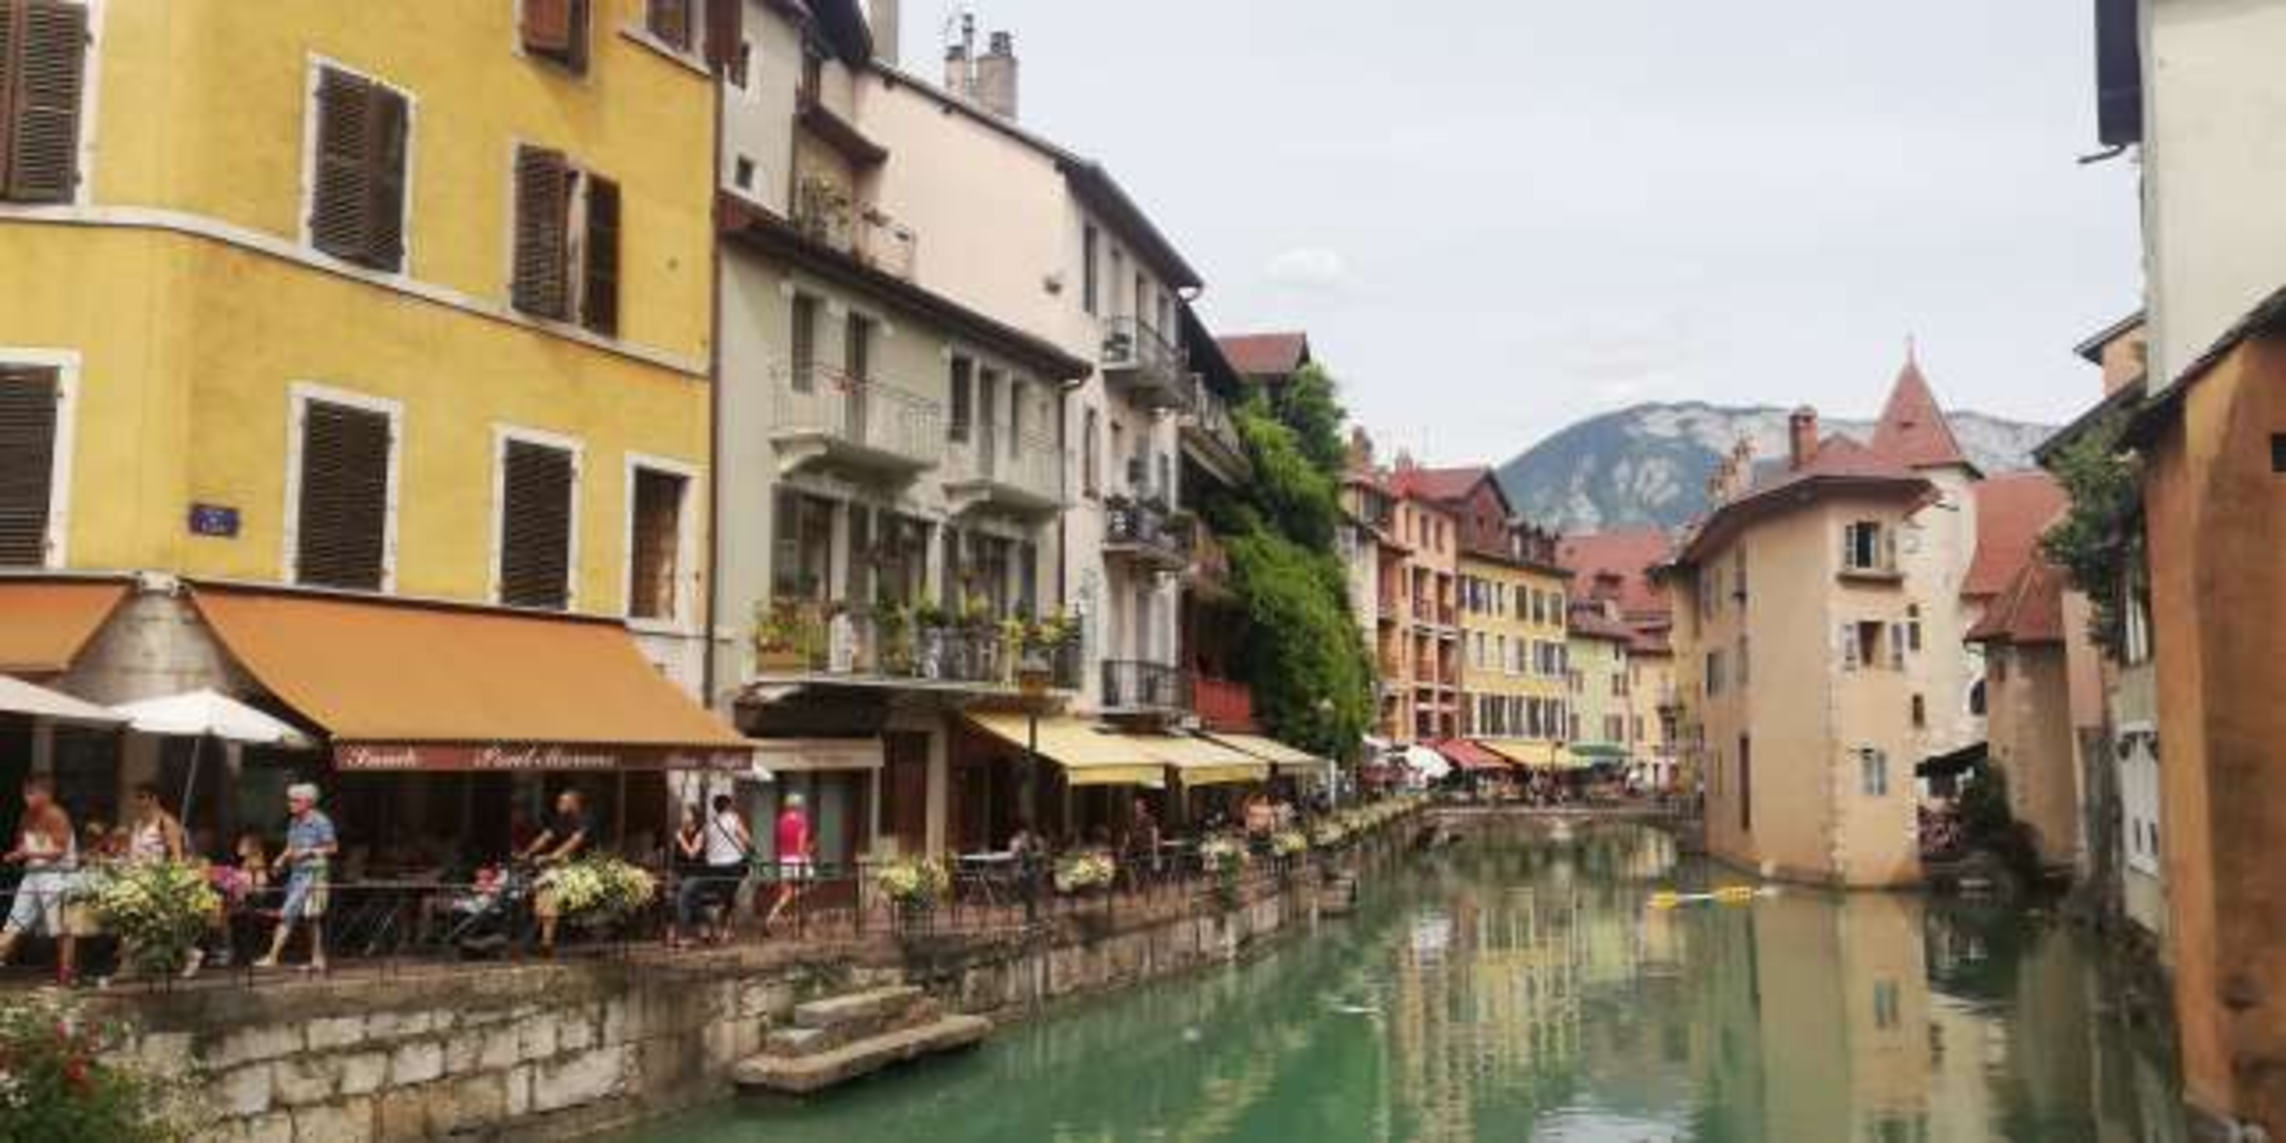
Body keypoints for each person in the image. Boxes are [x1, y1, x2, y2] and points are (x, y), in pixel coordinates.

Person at [0, 778, 79, 986]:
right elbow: (22, 845)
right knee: (14, 923)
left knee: (60, 927)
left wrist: (29, 852)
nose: (27, 798)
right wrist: (13, 855)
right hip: (32, 874)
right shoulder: (26, 816)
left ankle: (66, 977)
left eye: (31, 793)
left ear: (46, 794)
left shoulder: (57, 815)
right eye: (25, 793)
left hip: (57, 875)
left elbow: (59, 851)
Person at [256, 784, 337, 973]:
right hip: (297, 874)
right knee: (308, 918)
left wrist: (309, 851)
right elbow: (291, 846)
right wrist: (281, 859)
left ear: (308, 802)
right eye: (290, 799)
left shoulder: (321, 821)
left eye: (295, 800)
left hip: (314, 874)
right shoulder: (294, 821)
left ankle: (273, 956)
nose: (290, 803)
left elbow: (333, 847)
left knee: (292, 914)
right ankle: (317, 959)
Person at [522, 789, 596, 954]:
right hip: (559, 865)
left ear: (574, 804)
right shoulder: (560, 819)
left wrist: (550, 857)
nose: (558, 804)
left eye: (563, 801)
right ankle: (540, 940)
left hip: (581, 864)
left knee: (547, 885)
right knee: (538, 887)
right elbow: (544, 837)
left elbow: (573, 842)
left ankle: (545, 943)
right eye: (559, 801)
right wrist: (526, 853)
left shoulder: (584, 820)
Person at [700, 794, 751, 943]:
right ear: (728, 806)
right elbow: (746, 838)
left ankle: (716, 929)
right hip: (733, 865)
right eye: (731, 805)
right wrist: (752, 850)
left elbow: (703, 842)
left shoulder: (710, 823)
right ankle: (724, 931)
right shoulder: (733, 819)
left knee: (718, 897)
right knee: (730, 898)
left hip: (713, 866)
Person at [763, 793, 812, 929]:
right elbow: (801, 845)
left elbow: (779, 841)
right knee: (808, 886)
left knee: (786, 893)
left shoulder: (781, 821)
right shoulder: (802, 821)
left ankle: (770, 918)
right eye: (801, 804)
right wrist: (805, 857)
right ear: (798, 806)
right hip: (798, 858)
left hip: (784, 859)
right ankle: (799, 923)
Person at [666, 804, 708, 949]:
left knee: (683, 895)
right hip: (681, 873)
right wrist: (672, 874)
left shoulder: (700, 834)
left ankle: (685, 936)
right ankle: (702, 929)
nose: (683, 816)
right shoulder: (679, 832)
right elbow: (674, 857)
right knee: (671, 897)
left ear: (694, 816)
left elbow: (692, 854)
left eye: (687, 813)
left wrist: (681, 839)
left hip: (697, 874)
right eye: (683, 813)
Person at [126, 784, 187, 865]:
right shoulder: (137, 824)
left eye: (141, 797)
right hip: (133, 870)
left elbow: (177, 857)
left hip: (157, 870)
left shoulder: (166, 822)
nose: (137, 801)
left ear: (154, 799)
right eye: (136, 798)